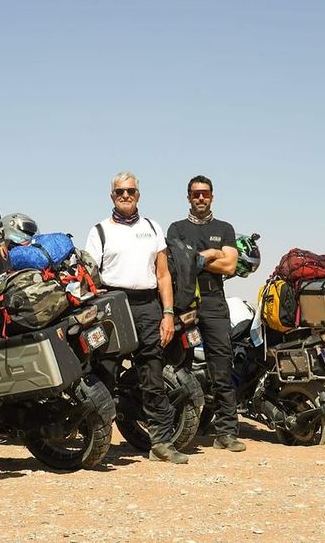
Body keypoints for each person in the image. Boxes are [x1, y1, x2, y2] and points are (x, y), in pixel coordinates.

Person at [85, 171, 187, 464]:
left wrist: (168, 314)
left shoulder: (153, 227)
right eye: (120, 191)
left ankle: (161, 444)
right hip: (112, 305)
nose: (126, 195)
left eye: (130, 191)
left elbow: (163, 275)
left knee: (153, 373)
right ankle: (98, 444)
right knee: (105, 372)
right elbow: (89, 275)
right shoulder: (99, 231)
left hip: (147, 305)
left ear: (138, 195)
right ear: (112, 196)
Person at [166, 175, 246, 452]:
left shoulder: (224, 228)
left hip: (213, 303)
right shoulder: (177, 229)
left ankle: (227, 432)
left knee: (221, 367)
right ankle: (180, 428)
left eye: (205, 193)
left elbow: (230, 266)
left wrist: (198, 257)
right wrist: (213, 255)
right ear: (188, 197)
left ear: (212, 196)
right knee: (179, 364)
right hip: (184, 303)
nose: (201, 198)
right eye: (196, 193)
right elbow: (176, 263)